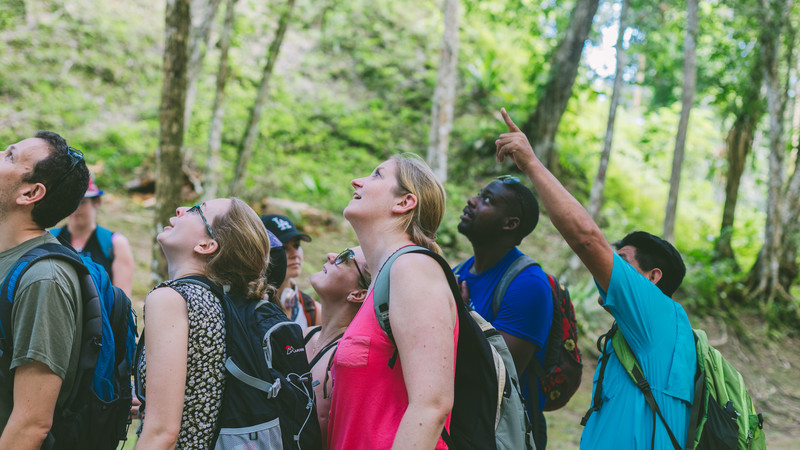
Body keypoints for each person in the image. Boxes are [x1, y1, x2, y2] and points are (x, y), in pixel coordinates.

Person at [494, 108, 695, 449]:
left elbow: (587, 240)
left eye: (623, 260)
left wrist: (530, 163)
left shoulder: (654, 313)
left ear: (652, 278)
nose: (611, 265)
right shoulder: (644, 333)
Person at [327, 153, 458, 449]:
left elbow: (433, 405)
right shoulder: (385, 278)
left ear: (404, 203)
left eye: (376, 175)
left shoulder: (413, 269)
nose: (356, 181)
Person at [134, 198, 271, 449]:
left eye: (197, 210)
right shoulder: (218, 302)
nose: (180, 209)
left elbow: (162, 432)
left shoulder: (172, 299)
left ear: (206, 245)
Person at [0, 131, 90, 449]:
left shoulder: (44, 279)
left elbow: (31, 423)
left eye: (9, 156)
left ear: (30, 193)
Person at [455, 177, 553, 448]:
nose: (472, 201)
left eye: (487, 199)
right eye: (478, 194)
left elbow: (497, 377)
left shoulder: (528, 286)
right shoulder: (461, 271)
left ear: (510, 223)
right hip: (460, 425)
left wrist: (462, 313)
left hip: (499, 436)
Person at [304, 246, 371, 448]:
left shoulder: (346, 360)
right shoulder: (303, 335)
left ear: (358, 293)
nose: (331, 256)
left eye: (346, 258)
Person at [52, 174, 135, 297]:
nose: (76, 208)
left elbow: (122, 299)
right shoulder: (50, 239)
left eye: (81, 201)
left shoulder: (115, 243)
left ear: (96, 202)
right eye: (71, 201)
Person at [262, 214, 322, 326]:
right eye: (284, 247)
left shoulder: (313, 311)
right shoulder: (247, 306)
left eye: (296, 245)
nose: (295, 254)